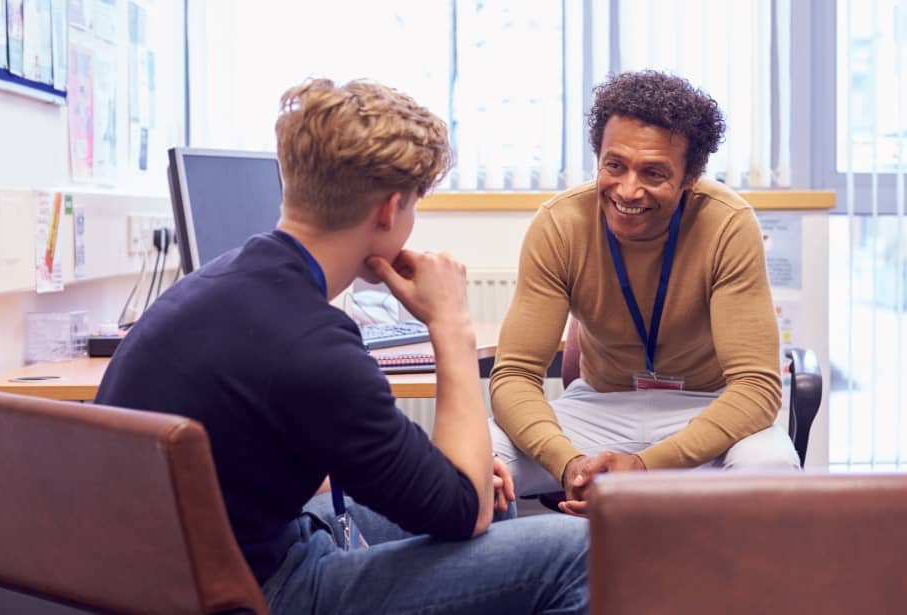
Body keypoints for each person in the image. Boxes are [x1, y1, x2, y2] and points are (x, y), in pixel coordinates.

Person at [96, 78, 588, 614]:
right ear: (389, 210)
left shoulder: (215, 283)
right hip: (259, 593)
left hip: (181, 574)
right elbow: (463, 512)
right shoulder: (314, 347)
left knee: (495, 500)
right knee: (582, 550)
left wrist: (457, 484)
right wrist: (451, 323)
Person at [490, 70, 800, 516]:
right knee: (477, 461)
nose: (628, 190)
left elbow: (756, 388)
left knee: (770, 470)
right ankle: (533, 562)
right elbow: (515, 375)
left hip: (705, 409)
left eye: (653, 173)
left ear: (691, 176)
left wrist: (644, 467)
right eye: (614, 165)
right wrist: (569, 464)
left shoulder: (727, 224)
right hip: (598, 409)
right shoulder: (560, 223)